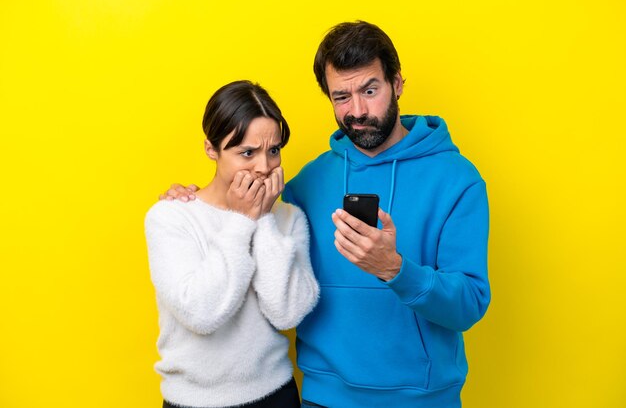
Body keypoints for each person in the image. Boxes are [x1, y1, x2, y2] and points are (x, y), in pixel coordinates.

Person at [163, 21, 490, 408]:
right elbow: (246, 228)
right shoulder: (305, 186)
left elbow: (469, 304)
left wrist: (396, 269)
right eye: (341, 97)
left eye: (370, 90)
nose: (358, 111)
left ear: (397, 83)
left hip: (423, 399)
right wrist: (192, 198)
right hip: (323, 399)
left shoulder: (458, 180)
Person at [145, 80, 319, 408]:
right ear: (212, 149)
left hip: (275, 395)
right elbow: (201, 313)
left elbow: (287, 314)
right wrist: (241, 222)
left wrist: (263, 219)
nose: (264, 167)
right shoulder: (170, 218)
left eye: (273, 150)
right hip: (192, 401)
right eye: (247, 153)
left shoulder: (289, 219)